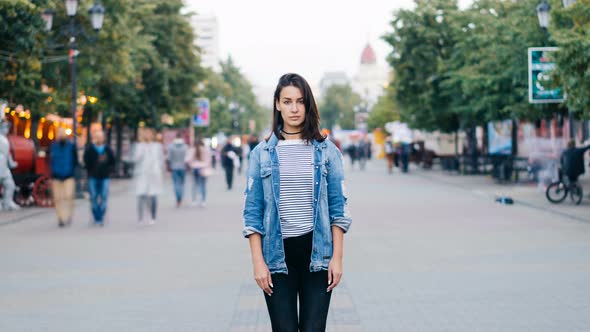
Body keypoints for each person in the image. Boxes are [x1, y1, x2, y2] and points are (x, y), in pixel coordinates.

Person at [243, 73, 352, 331]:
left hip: (317, 255)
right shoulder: (261, 154)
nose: (294, 108)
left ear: (308, 105)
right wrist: (258, 262)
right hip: (276, 257)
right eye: (287, 101)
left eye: (300, 101)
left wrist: (337, 258)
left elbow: (339, 209)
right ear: (277, 104)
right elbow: (252, 212)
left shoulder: (327, 151)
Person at [83, 131, 116, 226]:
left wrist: (109, 170)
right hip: (93, 176)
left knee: (104, 196)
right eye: (97, 137)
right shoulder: (90, 149)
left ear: (103, 138)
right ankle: (96, 217)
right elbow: (86, 161)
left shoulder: (107, 149)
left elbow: (112, 161)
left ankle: (101, 216)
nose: (99, 139)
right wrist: (90, 170)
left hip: (105, 176)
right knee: (93, 197)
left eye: (101, 137)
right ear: (94, 138)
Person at [133, 128, 164, 225]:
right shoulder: (139, 146)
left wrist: (160, 172)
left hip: (154, 174)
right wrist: (142, 150)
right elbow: (136, 159)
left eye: (149, 134)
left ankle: (153, 216)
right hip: (142, 173)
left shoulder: (157, 146)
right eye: (145, 134)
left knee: (153, 196)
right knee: (141, 195)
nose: (147, 136)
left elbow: (160, 160)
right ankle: (140, 218)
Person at [49, 127, 78, 227]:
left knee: (69, 196)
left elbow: (75, 160)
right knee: (57, 198)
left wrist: (73, 172)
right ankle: (60, 218)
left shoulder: (71, 146)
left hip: (68, 175)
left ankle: (68, 216)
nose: (61, 135)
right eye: (59, 133)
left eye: (62, 133)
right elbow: (50, 160)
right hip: (56, 176)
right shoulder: (53, 146)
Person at [185, 138, 212, 207]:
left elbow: (187, 160)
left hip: (195, 169)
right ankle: (203, 201)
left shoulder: (192, 149)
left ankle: (194, 201)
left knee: (195, 185)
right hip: (203, 168)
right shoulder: (206, 150)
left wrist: (192, 164)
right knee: (203, 185)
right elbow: (209, 160)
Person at [0, 117, 19, 211]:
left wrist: (11, 163)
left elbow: (7, 153)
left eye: (6, 127)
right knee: (9, 184)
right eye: (4, 127)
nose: (6, 129)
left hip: (4, 166)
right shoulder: (1, 139)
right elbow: (7, 154)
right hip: (1, 165)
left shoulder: (4, 139)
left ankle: (7, 202)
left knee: (10, 185)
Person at [167, 133, 188, 207]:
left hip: (174, 167)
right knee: (182, 184)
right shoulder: (185, 146)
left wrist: (168, 167)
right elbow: (187, 158)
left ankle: (178, 198)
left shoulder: (171, 146)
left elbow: (169, 158)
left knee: (176, 183)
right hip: (183, 167)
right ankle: (180, 197)